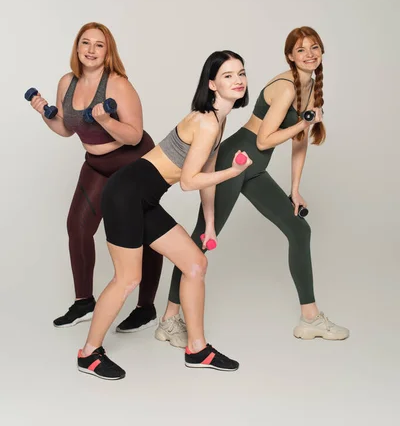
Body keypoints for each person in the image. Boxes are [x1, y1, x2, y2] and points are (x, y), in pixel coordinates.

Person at [154, 27, 349, 347]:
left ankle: (310, 319)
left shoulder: (311, 87)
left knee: (299, 231)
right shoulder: (286, 88)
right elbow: (263, 139)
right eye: (301, 50)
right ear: (290, 56)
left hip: (255, 169)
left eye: (314, 48)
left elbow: (300, 142)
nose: (309, 54)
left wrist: (295, 188)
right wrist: (304, 122)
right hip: (235, 161)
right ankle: (169, 319)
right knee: (202, 238)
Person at [77, 50, 252, 380]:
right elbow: (189, 181)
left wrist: (210, 224)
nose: (238, 80)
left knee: (196, 264)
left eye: (241, 73)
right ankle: (89, 353)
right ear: (212, 84)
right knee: (128, 278)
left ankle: (197, 349)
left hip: (143, 198)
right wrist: (235, 172)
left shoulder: (218, 120)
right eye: (228, 75)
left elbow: (207, 171)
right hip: (125, 194)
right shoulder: (205, 121)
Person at [29, 22, 160, 327]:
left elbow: (134, 134)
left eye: (98, 45)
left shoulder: (118, 84)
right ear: (77, 48)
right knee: (77, 226)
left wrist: (106, 121)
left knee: (145, 230)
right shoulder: (67, 83)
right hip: (96, 164)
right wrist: (43, 113)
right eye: (85, 43)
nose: (90, 50)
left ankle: (146, 306)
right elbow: (65, 129)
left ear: (107, 51)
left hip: (133, 161)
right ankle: (84, 302)